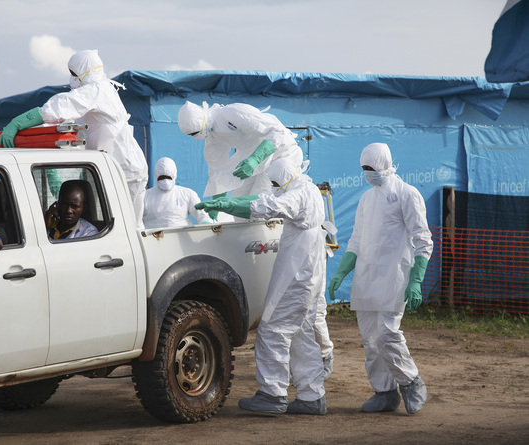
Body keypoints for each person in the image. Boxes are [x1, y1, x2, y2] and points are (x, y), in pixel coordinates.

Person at [196, 158, 328, 415]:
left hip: (297, 275)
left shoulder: (298, 194)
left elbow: (271, 205)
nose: (276, 188)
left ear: (286, 178)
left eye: (277, 184)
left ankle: (272, 394)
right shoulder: (308, 188)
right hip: (310, 273)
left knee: (272, 329)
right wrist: (236, 202)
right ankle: (312, 396)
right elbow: (269, 198)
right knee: (301, 334)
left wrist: (229, 204)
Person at [327, 142, 433, 415]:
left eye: (371, 168)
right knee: (370, 340)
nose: (367, 173)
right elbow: (357, 240)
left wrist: (416, 279)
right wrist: (341, 271)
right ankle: (384, 392)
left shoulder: (407, 194)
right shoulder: (367, 199)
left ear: (384, 164)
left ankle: (411, 383)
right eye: (364, 169)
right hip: (367, 278)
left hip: (395, 278)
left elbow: (423, 240)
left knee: (387, 334)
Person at [0, 49, 148, 227]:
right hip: (121, 168)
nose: (71, 79)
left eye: (73, 74)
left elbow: (60, 105)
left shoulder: (96, 90)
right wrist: (30, 130)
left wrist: (18, 122)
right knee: (127, 225)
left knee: (128, 227)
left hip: (125, 170)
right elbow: (66, 120)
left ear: (84, 71)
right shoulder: (100, 92)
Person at [177, 101, 304, 211]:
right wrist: (218, 202)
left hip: (280, 155)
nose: (195, 136)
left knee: (259, 204)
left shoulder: (231, 113)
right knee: (238, 201)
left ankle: (266, 237)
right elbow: (216, 166)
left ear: (202, 120)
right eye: (191, 134)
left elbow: (276, 131)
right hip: (255, 162)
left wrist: (255, 159)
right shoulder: (212, 134)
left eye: (195, 132)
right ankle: (247, 238)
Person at [143, 157, 213, 229]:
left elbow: (202, 215)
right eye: (162, 177)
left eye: (169, 177)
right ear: (156, 176)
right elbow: (135, 222)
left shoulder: (187, 194)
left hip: (181, 238)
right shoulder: (144, 196)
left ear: (174, 175)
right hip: (153, 238)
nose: (166, 181)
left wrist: (206, 225)